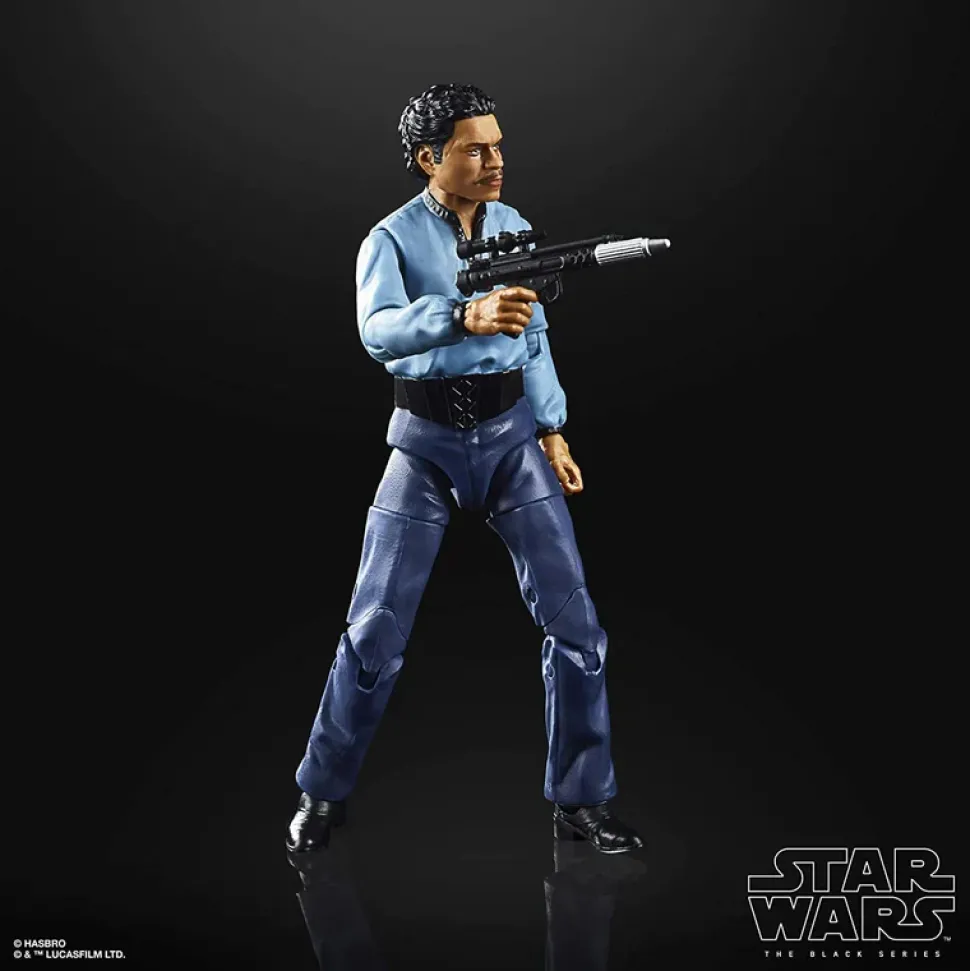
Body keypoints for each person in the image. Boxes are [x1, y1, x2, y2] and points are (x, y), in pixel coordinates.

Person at [287, 83, 642, 855]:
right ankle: (321, 790)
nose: (494, 160)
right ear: (429, 158)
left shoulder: (512, 226)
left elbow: (534, 334)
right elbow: (378, 330)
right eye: (475, 149)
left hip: (511, 436)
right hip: (425, 443)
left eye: (498, 145)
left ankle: (582, 798)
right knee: (375, 629)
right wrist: (459, 314)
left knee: (577, 625)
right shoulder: (389, 240)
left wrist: (552, 429)